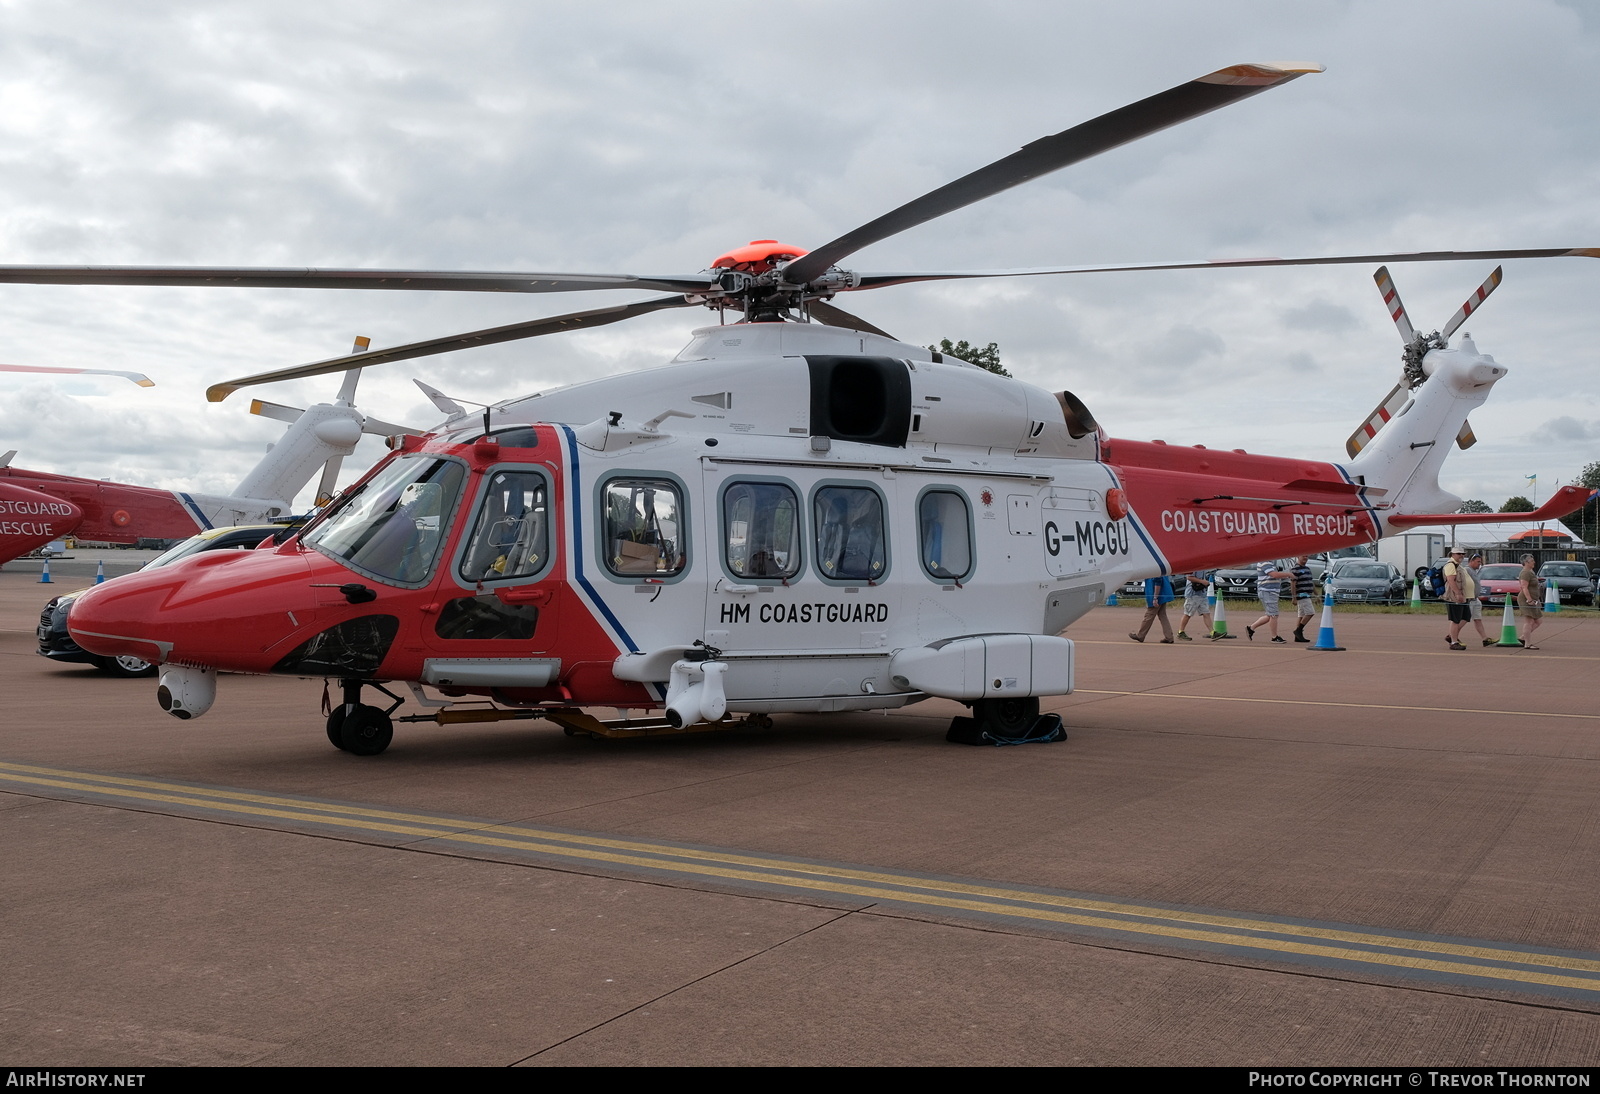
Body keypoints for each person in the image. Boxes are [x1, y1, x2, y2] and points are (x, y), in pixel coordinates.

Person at [1247, 560, 1294, 642]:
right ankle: (1274, 637)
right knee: (1274, 615)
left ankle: (1251, 628)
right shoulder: (1264, 562)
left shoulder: (1271, 563)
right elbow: (1274, 574)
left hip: (1271, 591)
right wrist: (1288, 574)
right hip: (1267, 591)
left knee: (1270, 615)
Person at [1441, 547, 1475, 650]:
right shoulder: (1450, 565)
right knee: (1455, 619)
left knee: (1466, 617)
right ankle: (1454, 642)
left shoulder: (1458, 565)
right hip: (1454, 597)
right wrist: (1458, 594)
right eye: (1458, 553)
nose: (1461, 556)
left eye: (1463, 554)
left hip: (1463, 596)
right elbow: (1451, 580)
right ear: (1452, 554)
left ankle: (1451, 636)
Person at [1129, 574, 1175, 643]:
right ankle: (1169, 637)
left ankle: (1140, 635)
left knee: (1149, 616)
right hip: (1163, 595)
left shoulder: (1154, 570)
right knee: (1162, 616)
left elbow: (1158, 583)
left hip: (1157, 595)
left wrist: (1155, 598)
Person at [1175, 570, 1216, 641]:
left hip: (1202, 594)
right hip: (1192, 594)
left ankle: (1212, 632)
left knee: (1206, 613)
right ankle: (1180, 632)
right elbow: (1189, 577)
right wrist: (1202, 581)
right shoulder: (1194, 566)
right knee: (1188, 614)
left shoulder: (1203, 567)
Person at [1465, 554, 1493, 646]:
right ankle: (1452, 635)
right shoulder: (1467, 570)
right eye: (1478, 562)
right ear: (1471, 561)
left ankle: (1485, 638)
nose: (1479, 564)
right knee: (1464, 619)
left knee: (1478, 619)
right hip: (1469, 600)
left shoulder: (1474, 571)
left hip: (1475, 599)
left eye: (1480, 562)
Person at [1517, 553, 1544, 649]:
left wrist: (1536, 600)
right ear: (1526, 562)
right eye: (1532, 561)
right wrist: (1529, 600)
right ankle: (1527, 643)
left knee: (1538, 621)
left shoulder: (1531, 572)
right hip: (1526, 599)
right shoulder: (1525, 573)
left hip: (1534, 599)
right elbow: (1524, 587)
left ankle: (1523, 637)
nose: (1534, 562)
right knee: (1529, 621)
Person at [1289, 555, 1316, 643]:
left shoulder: (1307, 569)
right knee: (1310, 613)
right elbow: (1293, 584)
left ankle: (1298, 636)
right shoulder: (1295, 569)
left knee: (1301, 615)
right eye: (1303, 556)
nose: (1305, 558)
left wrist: (1316, 594)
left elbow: (1311, 582)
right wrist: (1294, 597)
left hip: (1308, 595)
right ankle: (1298, 630)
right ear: (1298, 557)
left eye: (1307, 556)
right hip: (1301, 595)